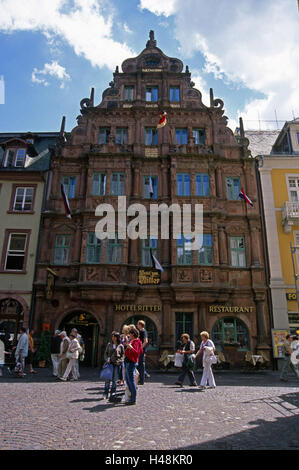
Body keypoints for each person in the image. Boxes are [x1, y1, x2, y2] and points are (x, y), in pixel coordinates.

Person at [102, 331, 124, 402]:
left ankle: (113, 393)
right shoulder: (109, 344)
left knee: (115, 380)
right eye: (112, 337)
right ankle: (105, 393)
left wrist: (120, 361)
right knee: (107, 379)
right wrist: (106, 359)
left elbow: (123, 355)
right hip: (110, 363)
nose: (113, 338)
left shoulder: (120, 346)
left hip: (117, 364)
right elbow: (106, 353)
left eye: (114, 337)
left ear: (117, 338)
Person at [124, 326, 143, 405]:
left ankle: (133, 399)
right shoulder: (135, 341)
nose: (129, 335)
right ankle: (131, 397)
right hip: (129, 362)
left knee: (131, 381)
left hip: (131, 362)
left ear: (132, 334)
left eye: (129, 334)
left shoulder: (135, 342)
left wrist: (131, 348)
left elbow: (137, 353)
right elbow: (141, 351)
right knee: (128, 380)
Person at [137, 320, 148, 385]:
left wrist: (140, 348)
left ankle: (142, 380)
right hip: (141, 350)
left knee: (141, 364)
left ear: (140, 325)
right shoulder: (142, 331)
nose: (137, 325)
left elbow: (146, 341)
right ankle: (141, 378)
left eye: (138, 324)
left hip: (141, 350)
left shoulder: (143, 331)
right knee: (140, 364)